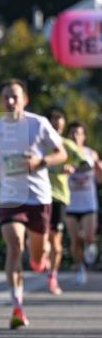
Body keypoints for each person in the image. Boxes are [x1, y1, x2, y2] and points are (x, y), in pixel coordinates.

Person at [0, 79, 66, 329]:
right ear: (1, 100)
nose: (10, 101)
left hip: (39, 197)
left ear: (24, 99)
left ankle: (41, 260)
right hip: (11, 197)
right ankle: (17, 306)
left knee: (38, 257)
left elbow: (61, 154)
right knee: (15, 245)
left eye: (14, 97)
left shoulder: (38, 124)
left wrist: (40, 161)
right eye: (6, 97)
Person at [45, 108, 89, 294]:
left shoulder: (66, 145)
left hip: (58, 197)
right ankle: (39, 258)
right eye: (53, 126)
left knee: (55, 241)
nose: (57, 130)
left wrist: (72, 168)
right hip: (36, 196)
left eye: (60, 127)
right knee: (38, 240)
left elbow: (85, 164)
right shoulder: (36, 143)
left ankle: (52, 276)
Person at [65, 121, 100, 285]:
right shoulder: (63, 154)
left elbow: (100, 179)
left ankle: (91, 244)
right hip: (71, 205)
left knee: (89, 236)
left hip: (88, 205)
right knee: (74, 241)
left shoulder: (90, 154)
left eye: (78, 133)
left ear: (84, 136)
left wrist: (99, 167)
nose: (75, 136)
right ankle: (80, 267)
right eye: (72, 133)